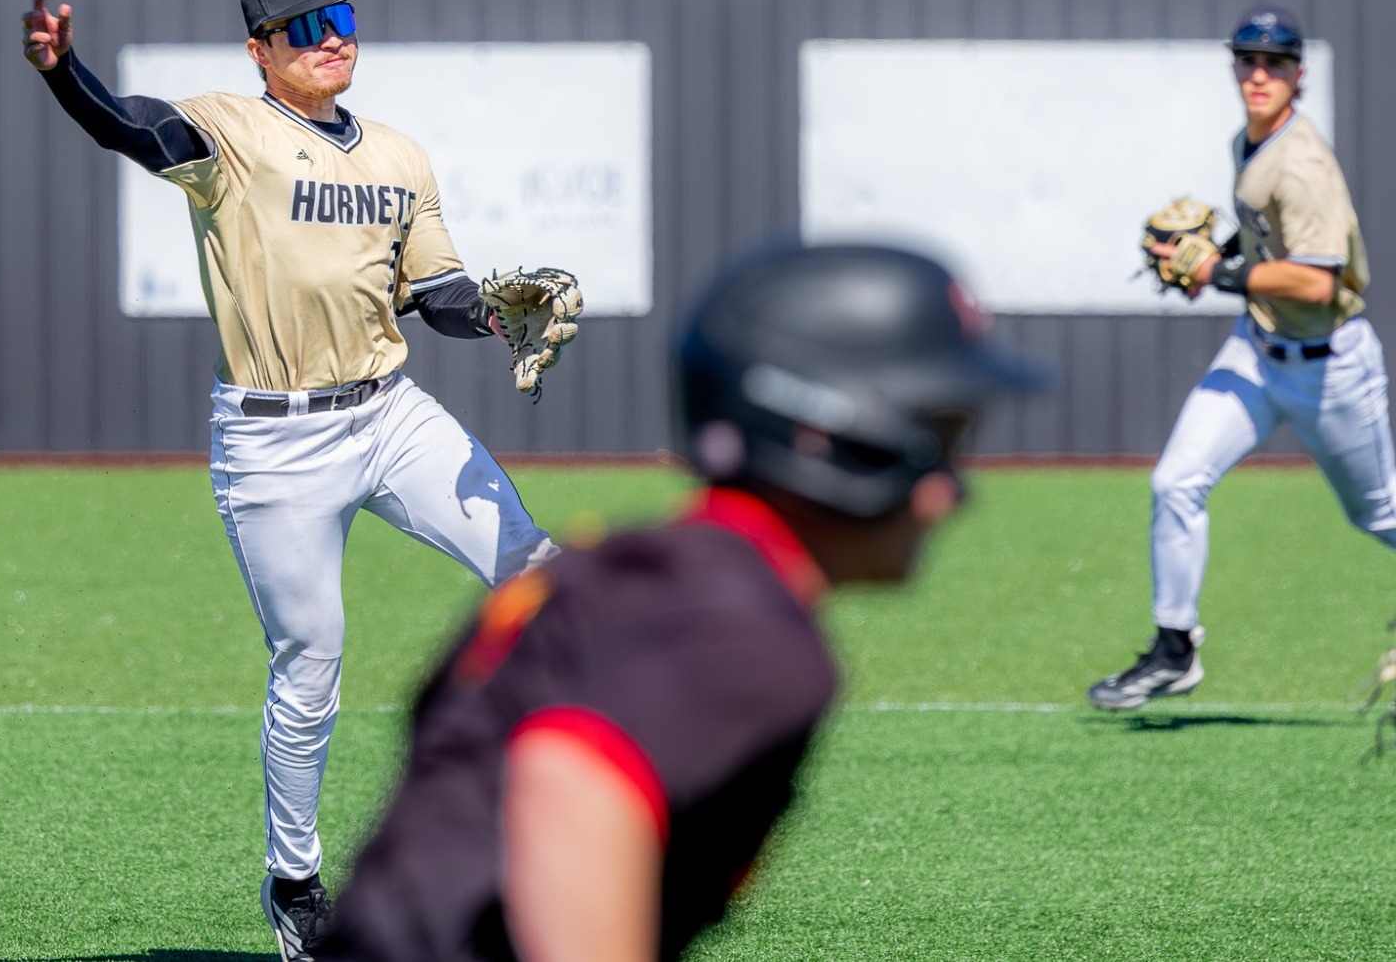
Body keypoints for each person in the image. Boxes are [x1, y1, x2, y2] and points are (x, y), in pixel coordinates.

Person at [20, 0, 562, 962]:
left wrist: (489, 311)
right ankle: (296, 880)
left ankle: (558, 818)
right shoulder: (229, 133)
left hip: (390, 412)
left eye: (342, 16)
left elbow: (430, 294)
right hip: (275, 440)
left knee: (543, 575)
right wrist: (64, 73)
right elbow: (130, 126)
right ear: (261, 50)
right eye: (306, 27)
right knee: (310, 663)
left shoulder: (398, 155)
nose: (333, 39)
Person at [320, 243, 1040, 962]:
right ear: (827, 435)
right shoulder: (744, 632)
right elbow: (566, 778)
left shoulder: (633, 569)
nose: (950, 493)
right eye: (936, 438)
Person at [1087, 7, 1395, 712]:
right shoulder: (1250, 140)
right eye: (1248, 60)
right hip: (1258, 349)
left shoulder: (1304, 164)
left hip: (1329, 365)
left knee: (1380, 515)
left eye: (1275, 63)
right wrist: (1218, 254)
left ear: (1299, 75)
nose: (1260, 74)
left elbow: (1318, 279)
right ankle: (1174, 648)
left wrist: (1215, 275)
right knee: (1176, 482)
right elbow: (1266, 250)